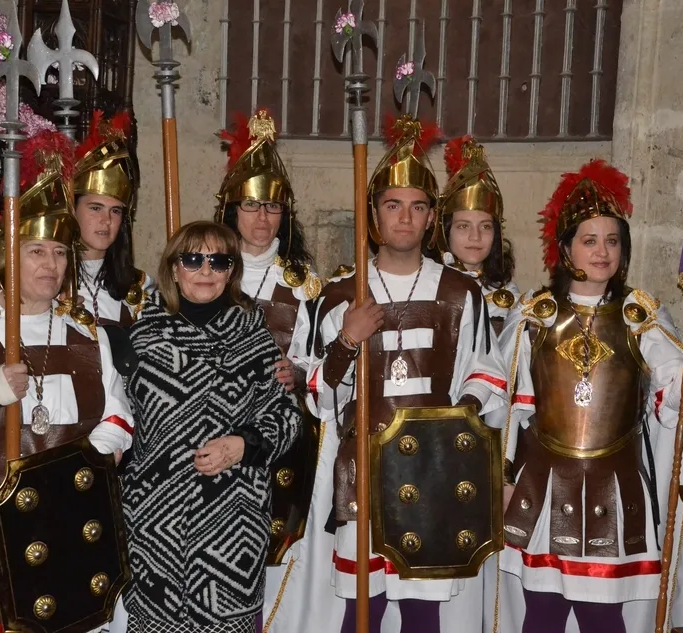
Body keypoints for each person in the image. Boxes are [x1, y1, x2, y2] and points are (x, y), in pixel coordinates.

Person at [311, 116, 509, 633]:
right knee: (363, 609)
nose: (405, 218)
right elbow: (318, 395)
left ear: (431, 218)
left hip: (433, 469)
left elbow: (486, 375)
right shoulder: (341, 295)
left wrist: (455, 419)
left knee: (423, 612)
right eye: (393, 205)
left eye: (418, 206)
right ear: (374, 214)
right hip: (363, 466)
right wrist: (346, 340)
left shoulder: (461, 294)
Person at [0, 131, 133, 632]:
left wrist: (82, 466)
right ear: (10, 253)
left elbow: (117, 415)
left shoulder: (86, 333)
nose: (51, 265)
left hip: (69, 514)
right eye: (37, 251)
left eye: (60, 253)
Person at [494, 159, 683, 633]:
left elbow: (674, 389)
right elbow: (508, 407)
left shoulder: (640, 316)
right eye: (589, 240)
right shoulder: (536, 315)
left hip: (614, 484)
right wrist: (503, 477)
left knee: (603, 617)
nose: (603, 252)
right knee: (542, 614)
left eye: (612, 240)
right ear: (566, 247)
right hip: (543, 485)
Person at [121, 221, 301, 633]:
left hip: (232, 525)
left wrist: (243, 445)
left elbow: (287, 417)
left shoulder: (254, 337)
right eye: (193, 259)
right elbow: (116, 416)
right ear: (173, 268)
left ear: (231, 271)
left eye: (219, 261)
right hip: (155, 523)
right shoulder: (140, 338)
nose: (206, 270)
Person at [216, 109, 340, 633]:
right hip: (214, 429)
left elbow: (322, 359)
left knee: (276, 550)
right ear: (232, 209)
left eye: (272, 206)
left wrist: (298, 369)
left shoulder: (304, 284)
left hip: (281, 434)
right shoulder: (208, 267)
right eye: (251, 205)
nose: (262, 218)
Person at [74, 110, 153, 326]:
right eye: (95, 208)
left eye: (116, 211)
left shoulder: (139, 288)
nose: (106, 220)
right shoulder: (48, 282)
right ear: (73, 210)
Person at [438, 136, 520, 336]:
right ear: (445, 231)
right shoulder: (428, 285)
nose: (475, 237)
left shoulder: (509, 295)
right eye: (463, 226)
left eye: (485, 226)